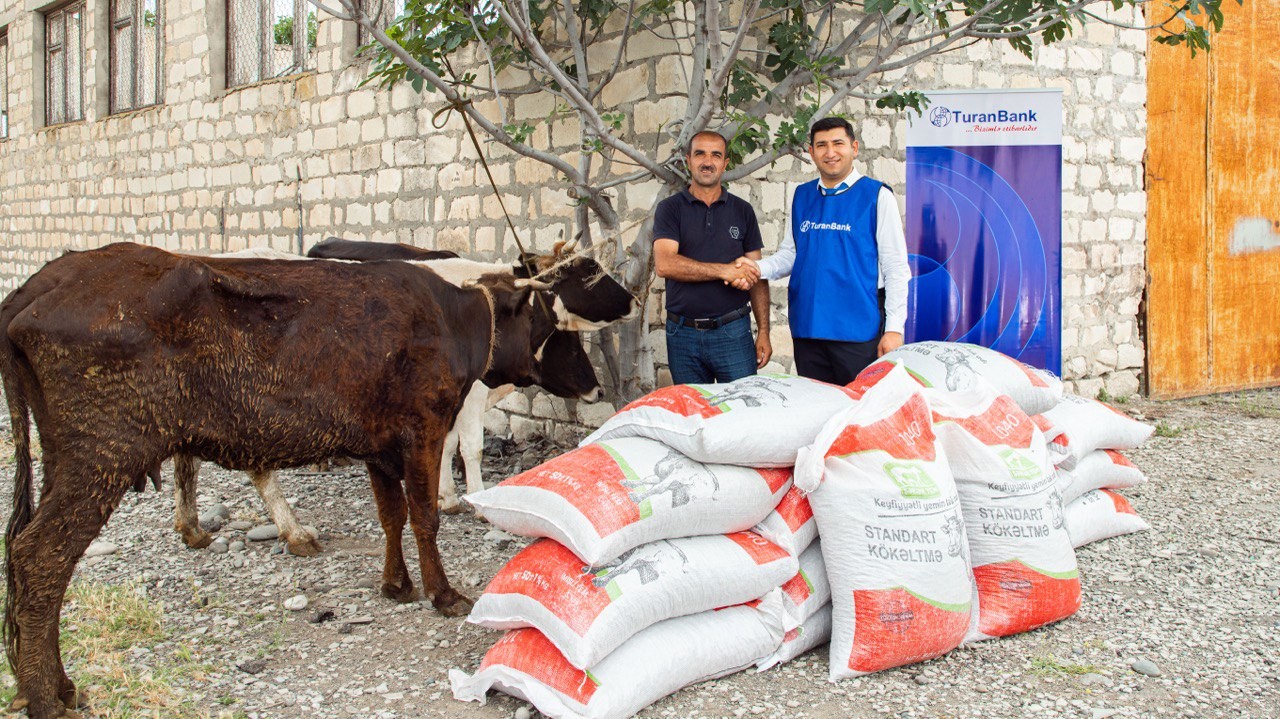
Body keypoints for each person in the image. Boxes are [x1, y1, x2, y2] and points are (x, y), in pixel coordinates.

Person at [737, 116, 910, 385]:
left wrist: (895, 329)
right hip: (808, 328)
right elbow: (792, 254)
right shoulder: (802, 195)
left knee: (857, 410)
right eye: (821, 145)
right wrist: (757, 268)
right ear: (811, 153)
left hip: (857, 331)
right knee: (816, 409)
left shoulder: (877, 196)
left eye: (838, 143)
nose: (830, 153)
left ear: (854, 148)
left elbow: (896, 267)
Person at [652, 131, 771, 384]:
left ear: (725, 163)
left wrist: (764, 332)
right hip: (682, 334)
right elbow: (665, 264)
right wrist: (724, 271)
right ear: (688, 160)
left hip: (733, 333)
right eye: (700, 154)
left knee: (741, 413)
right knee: (695, 415)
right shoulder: (670, 209)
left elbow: (756, 274)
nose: (708, 161)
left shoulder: (742, 210)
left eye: (716, 155)